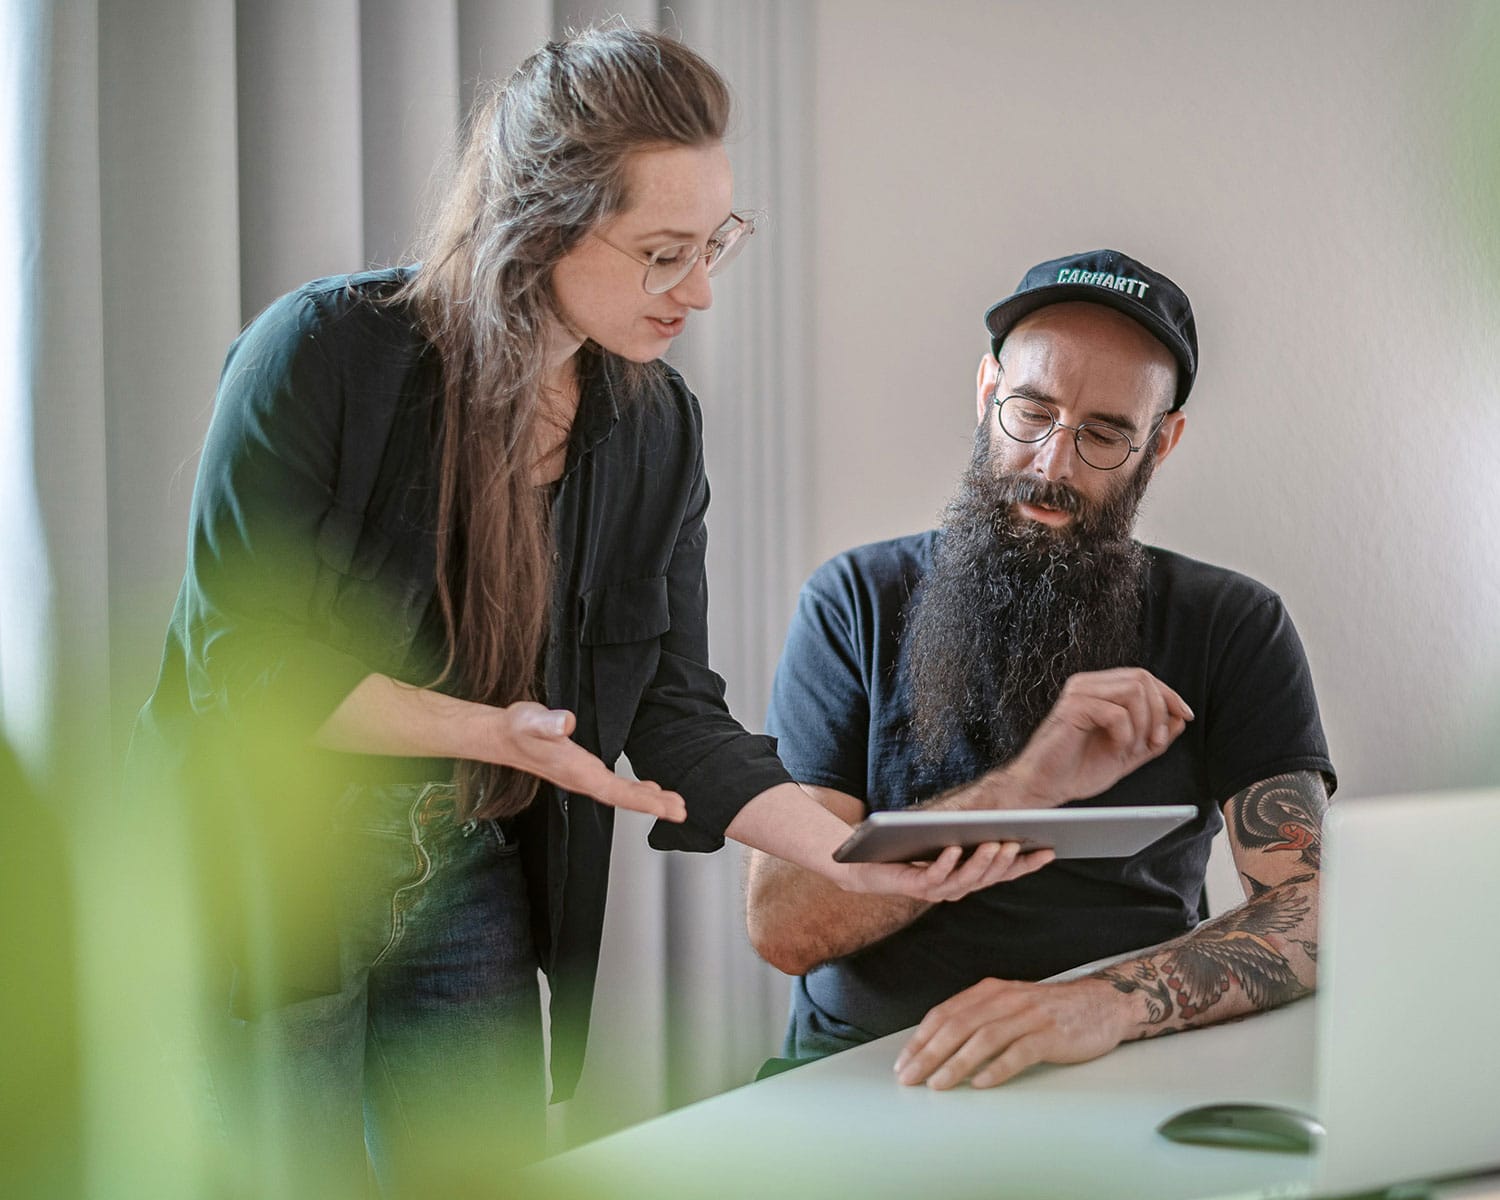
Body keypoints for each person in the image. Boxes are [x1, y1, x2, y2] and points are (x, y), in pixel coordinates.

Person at [127, 28, 1037, 1197]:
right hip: (270, 864)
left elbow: (671, 708)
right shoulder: (322, 355)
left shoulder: (658, 430)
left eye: (714, 245)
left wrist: (855, 859)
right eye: (663, 253)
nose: (699, 291)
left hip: (468, 863)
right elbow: (240, 667)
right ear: (544, 222)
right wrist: (482, 730)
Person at [746, 248, 1336, 1091]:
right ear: (988, 393)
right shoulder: (855, 601)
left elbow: (1312, 913)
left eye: (1103, 435)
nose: (1053, 465)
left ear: (1160, 444)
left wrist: (1100, 1004)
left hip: (1125, 1059)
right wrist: (1022, 791)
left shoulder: (1233, 625)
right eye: (1032, 412)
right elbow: (784, 927)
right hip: (874, 1072)